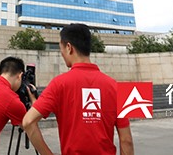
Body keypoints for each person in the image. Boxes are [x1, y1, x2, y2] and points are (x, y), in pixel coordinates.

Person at [22, 23, 134, 155]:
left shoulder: (59, 84)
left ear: (69, 47)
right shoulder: (114, 86)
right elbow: (126, 140)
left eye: (61, 48)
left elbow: (28, 122)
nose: (62, 54)